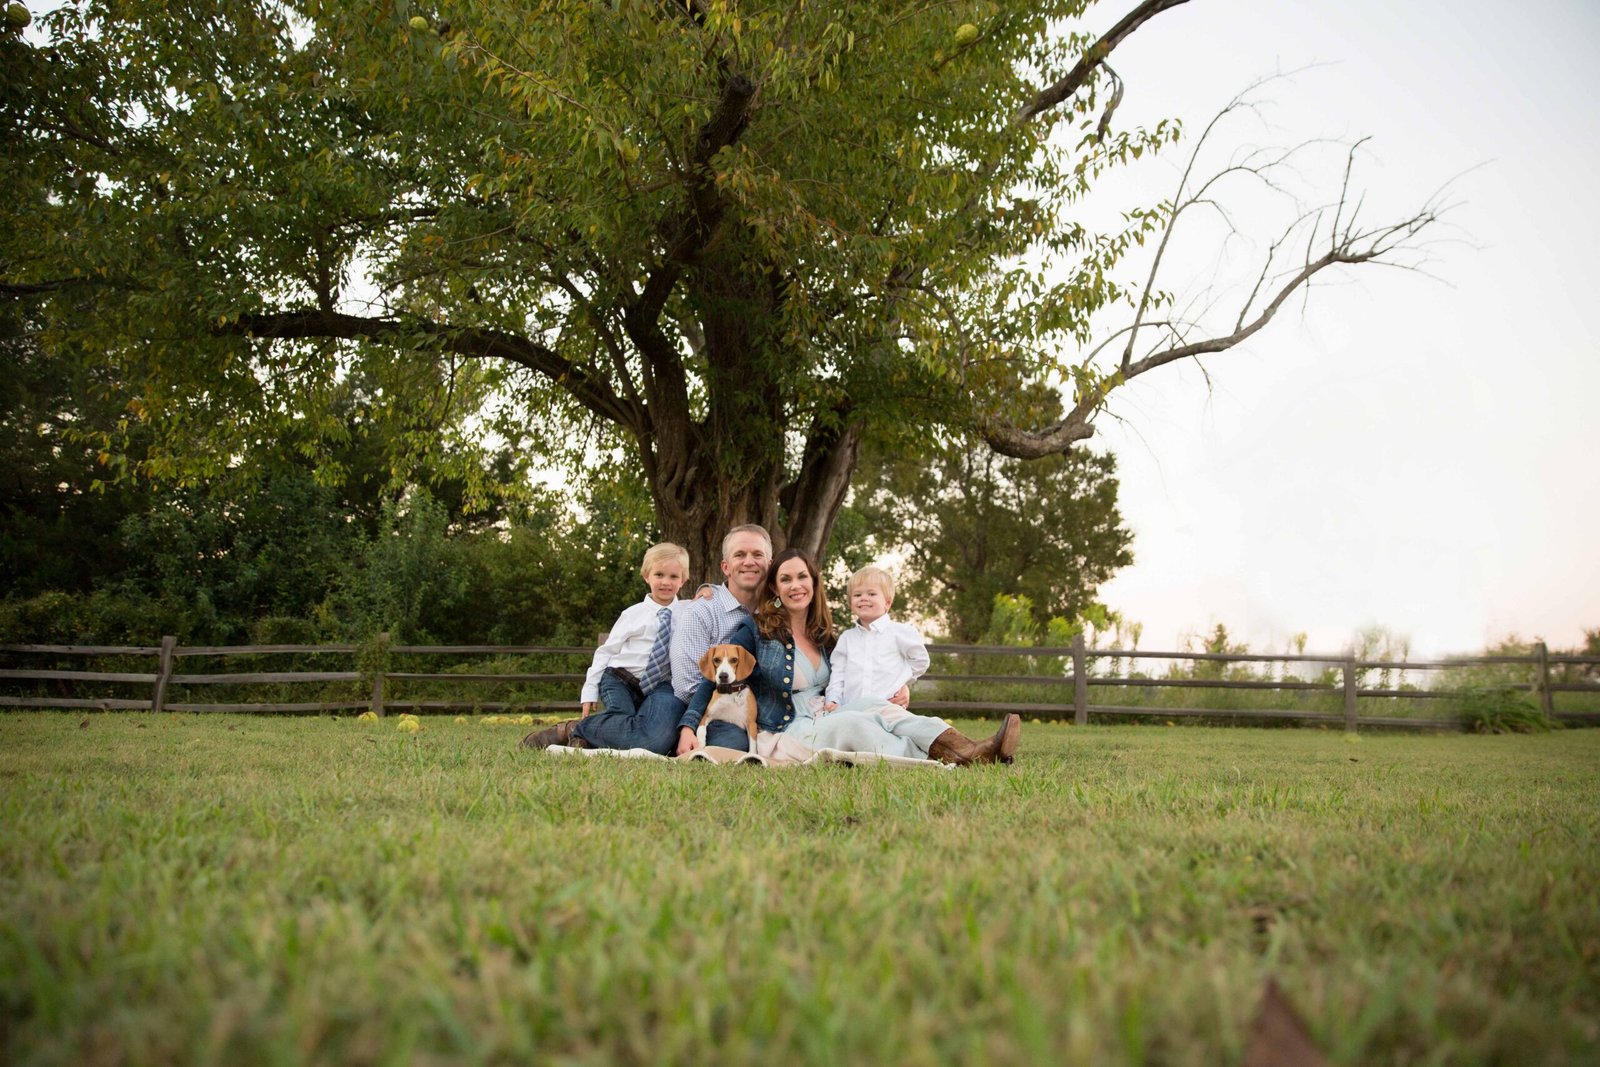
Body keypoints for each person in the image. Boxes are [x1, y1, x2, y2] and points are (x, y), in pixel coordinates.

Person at [677, 549, 1021, 765]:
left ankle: (969, 748)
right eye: (785, 579)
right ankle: (950, 759)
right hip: (788, 727)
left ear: (814, 583)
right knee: (854, 724)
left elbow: (857, 677)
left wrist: (902, 686)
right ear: (775, 589)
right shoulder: (756, 630)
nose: (795, 585)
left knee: (879, 707)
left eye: (802, 577)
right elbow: (717, 678)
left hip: (826, 711)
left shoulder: (825, 636)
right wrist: (689, 725)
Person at [521, 525, 771, 754]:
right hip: (675, 694)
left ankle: (643, 735)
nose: (749, 561)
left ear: (770, 564)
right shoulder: (701, 609)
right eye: (740, 555)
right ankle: (576, 729)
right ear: (725, 567)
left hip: (722, 701)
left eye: (757, 555)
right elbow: (686, 685)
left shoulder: (774, 613)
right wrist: (696, 718)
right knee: (654, 737)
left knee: (733, 745)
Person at [576, 542, 689, 718]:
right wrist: (590, 689)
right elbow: (606, 652)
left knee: (656, 723)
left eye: (674, 576)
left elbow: (715, 597)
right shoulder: (632, 614)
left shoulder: (688, 613)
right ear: (646, 576)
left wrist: (706, 589)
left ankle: (592, 729)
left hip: (659, 686)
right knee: (622, 715)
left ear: (683, 580)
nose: (666, 582)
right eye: (659, 574)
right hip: (620, 679)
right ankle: (582, 728)